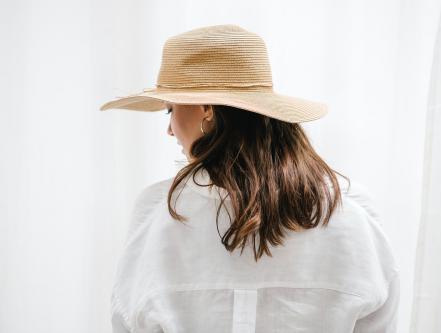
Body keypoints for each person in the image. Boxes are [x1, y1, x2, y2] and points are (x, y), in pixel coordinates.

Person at [100, 24, 399, 333]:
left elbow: (126, 322)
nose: (170, 129)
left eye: (169, 110)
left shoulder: (159, 213)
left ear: (206, 109)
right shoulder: (349, 210)